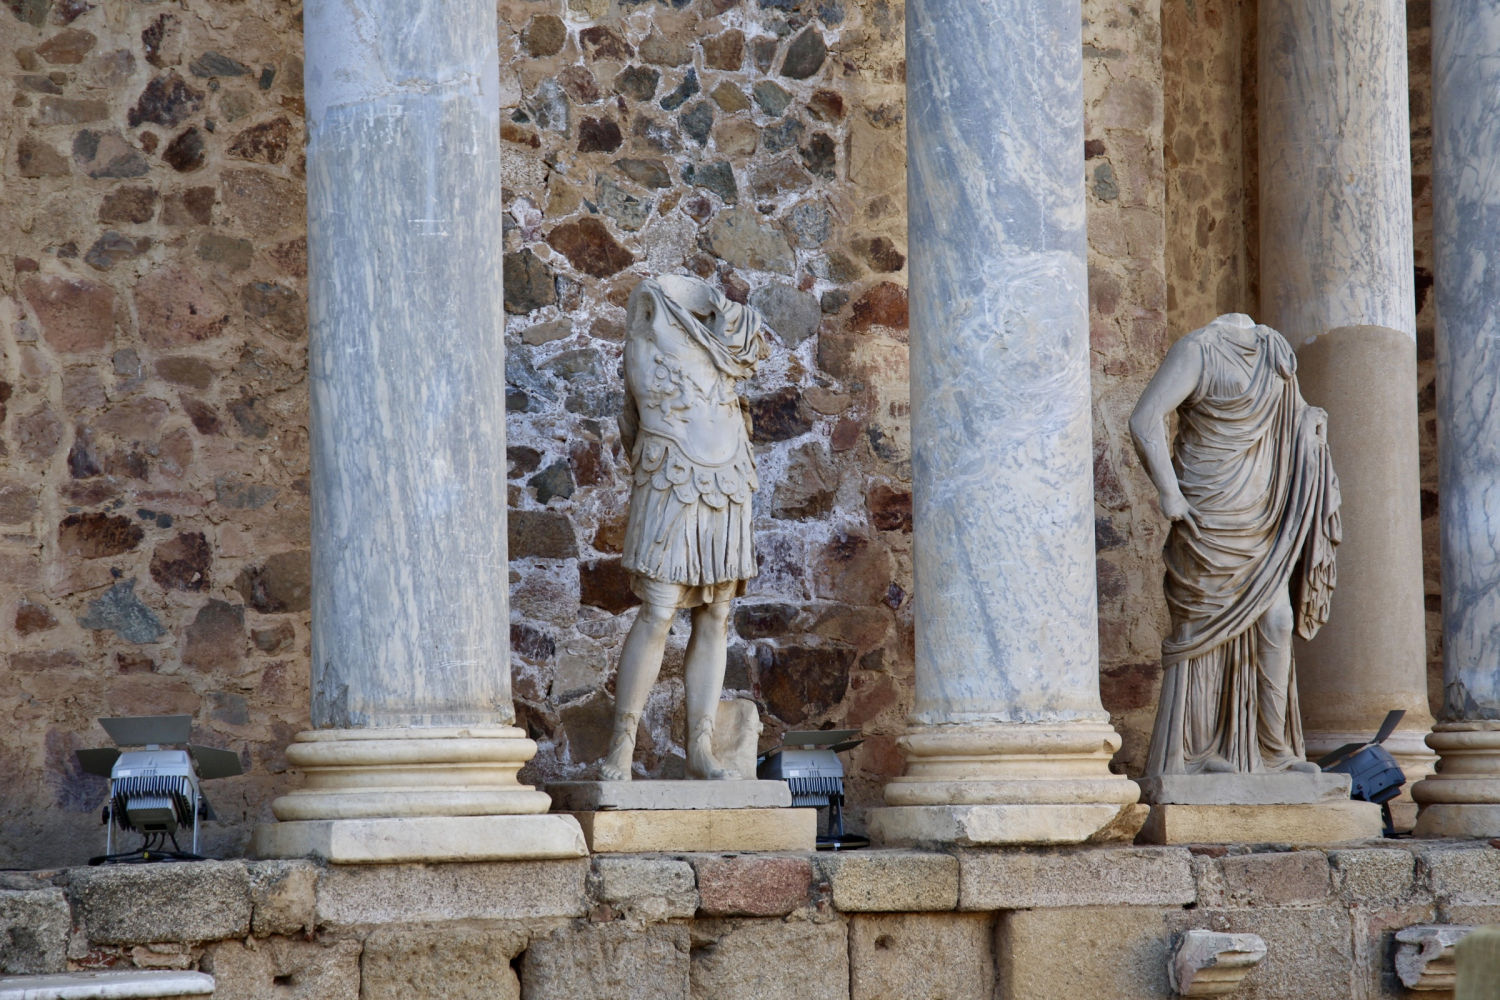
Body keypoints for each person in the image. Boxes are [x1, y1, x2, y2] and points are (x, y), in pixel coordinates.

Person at [1129, 313, 1339, 776]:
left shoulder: (1276, 352)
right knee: (1202, 630)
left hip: (1263, 513)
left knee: (1277, 622)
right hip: (1208, 509)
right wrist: (1169, 491)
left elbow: (1295, 417)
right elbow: (1144, 418)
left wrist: (1312, 426)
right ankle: (1198, 753)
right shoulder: (1198, 348)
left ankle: (1274, 750)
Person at [599, 274, 768, 781]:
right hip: (673, 468)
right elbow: (646, 400)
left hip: (727, 469)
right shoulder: (647, 325)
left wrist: (719, 313)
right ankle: (621, 747)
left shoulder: (729, 330)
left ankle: (702, 747)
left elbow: (745, 341)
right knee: (658, 608)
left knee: (717, 611)